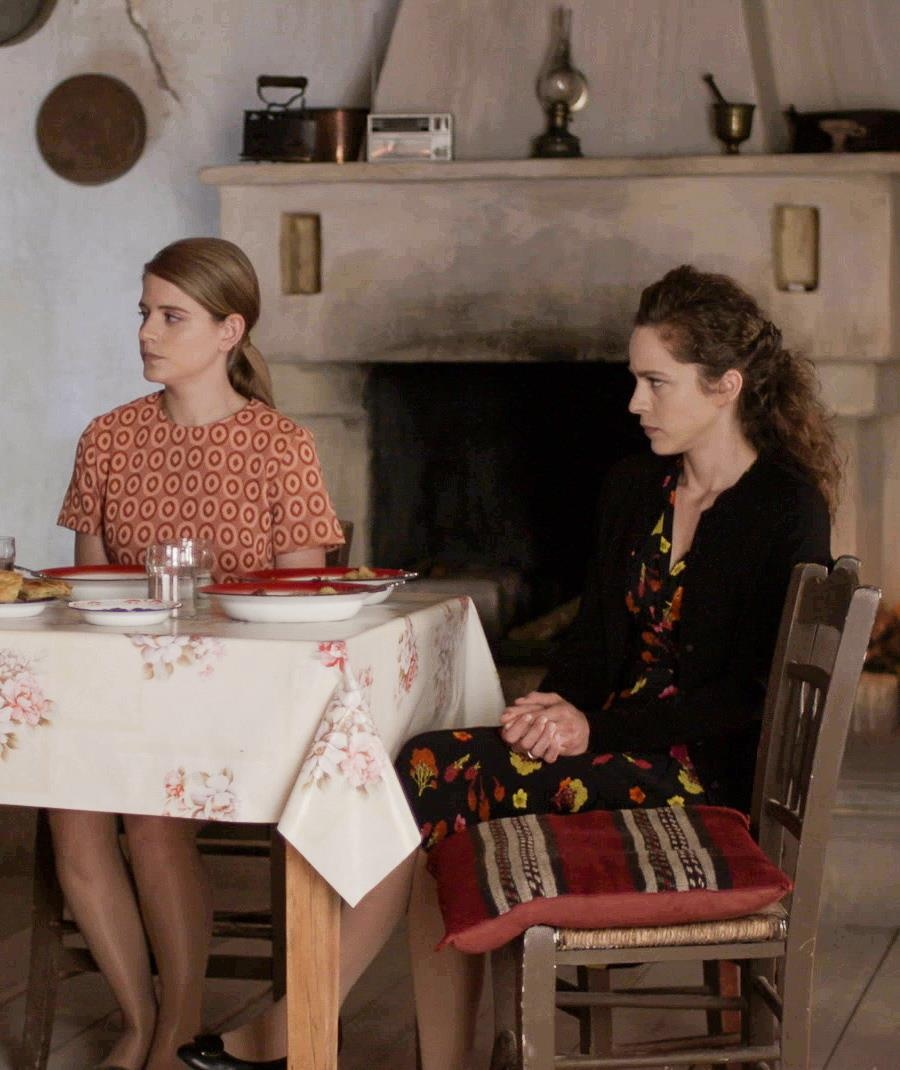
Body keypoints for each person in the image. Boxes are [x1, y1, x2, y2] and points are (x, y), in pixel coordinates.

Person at [176, 264, 837, 1070]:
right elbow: (594, 639)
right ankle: (358, 1040)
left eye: (657, 383)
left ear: (725, 386)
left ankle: (297, 1032)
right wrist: (550, 705)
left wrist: (591, 727)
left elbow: (750, 695)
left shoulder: (785, 506)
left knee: (429, 774)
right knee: (429, 772)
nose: (635, 403)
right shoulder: (638, 486)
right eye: (636, 380)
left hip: (701, 771)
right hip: (613, 743)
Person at [52, 237, 344, 1070]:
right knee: (68, 811)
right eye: (144, 312)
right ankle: (137, 1017)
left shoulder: (282, 446)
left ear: (229, 330)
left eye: (171, 316)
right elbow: (89, 595)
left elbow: (300, 618)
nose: (147, 331)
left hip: (238, 702)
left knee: (150, 818)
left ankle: (179, 1022)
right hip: (122, 692)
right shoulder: (106, 439)